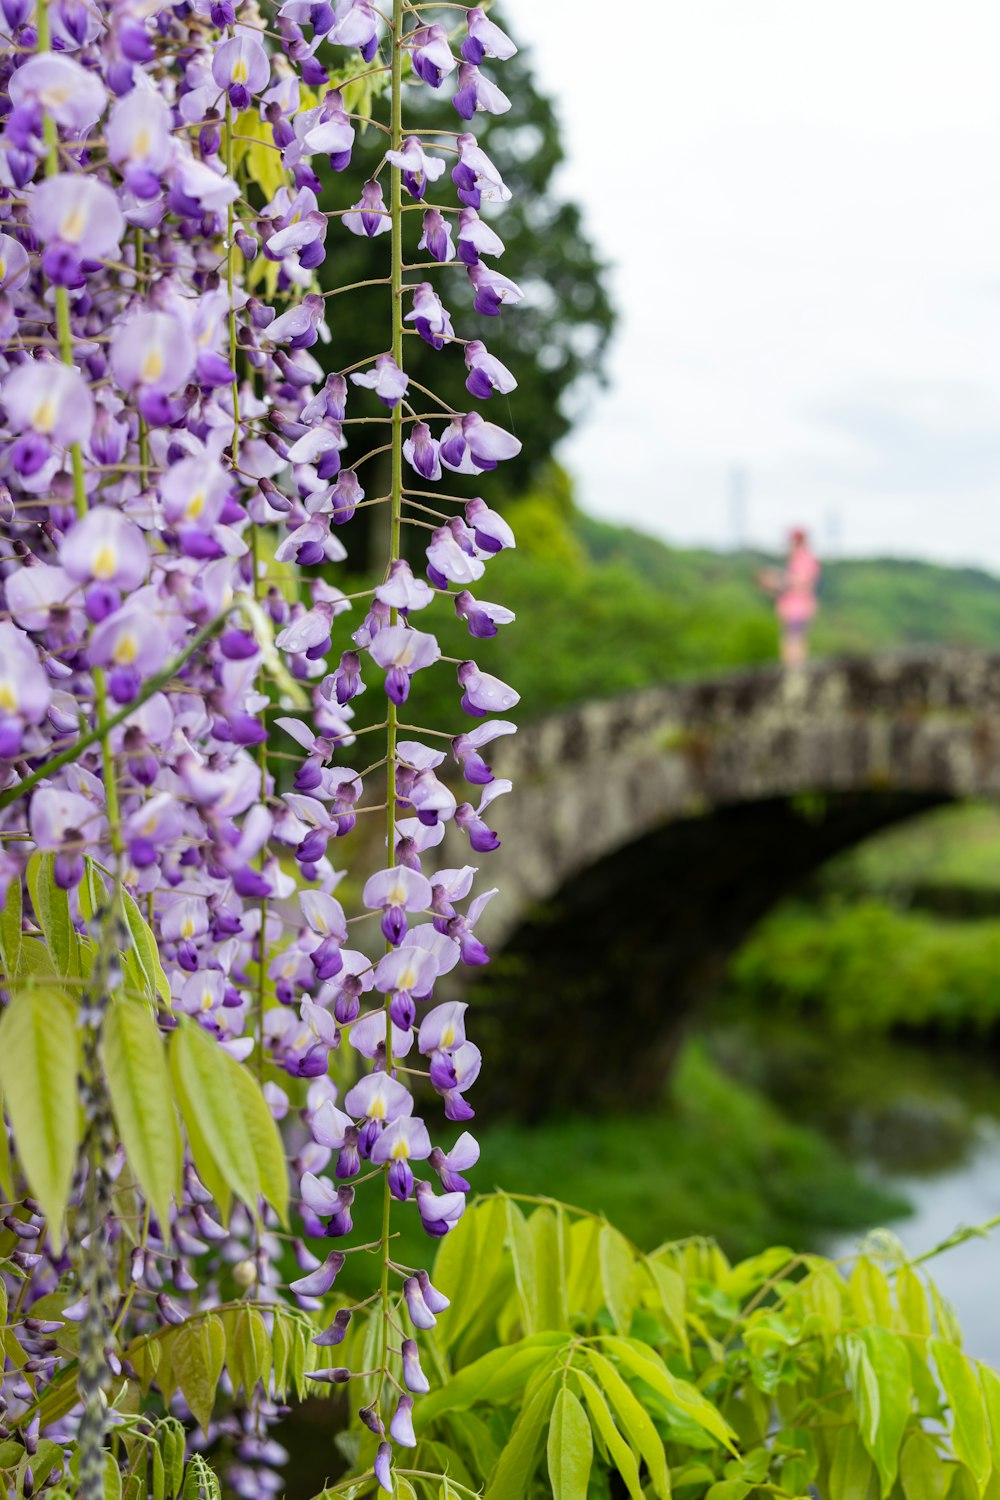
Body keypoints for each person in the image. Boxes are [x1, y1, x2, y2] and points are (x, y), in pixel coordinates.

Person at [758, 528, 821, 667]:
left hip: (798, 608)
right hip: (792, 608)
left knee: (794, 640)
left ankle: (794, 670)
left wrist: (777, 579)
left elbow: (802, 583)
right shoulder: (797, 559)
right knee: (791, 639)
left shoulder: (805, 559)